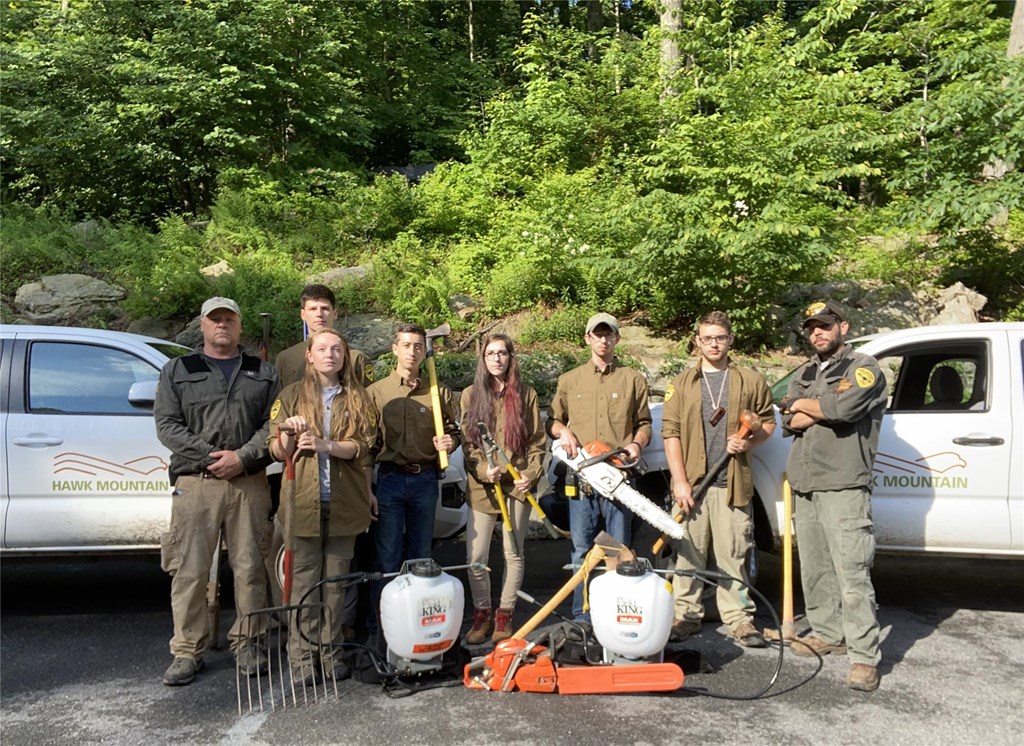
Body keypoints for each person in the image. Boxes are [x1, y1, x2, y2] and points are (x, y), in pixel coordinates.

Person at [154, 297, 280, 686]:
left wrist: (242, 457)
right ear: (203, 326)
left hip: (248, 483)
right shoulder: (178, 370)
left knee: (250, 567)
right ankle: (188, 650)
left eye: (229, 319)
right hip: (197, 483)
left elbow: (272, 425)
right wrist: (212, 456)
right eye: (215, 320)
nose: (222, 325)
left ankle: (248, 643)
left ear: (240, 327)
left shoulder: (264, 372)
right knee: (189, 569)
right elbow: (167, 425)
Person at [780, 300, 887, 692]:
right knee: (815, 567)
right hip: (806, 482)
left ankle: (863, 657)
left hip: (843, 482)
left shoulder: (864, 367)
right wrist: (811, 408)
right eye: (811, 328)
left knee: (852, 573)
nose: (817, 333)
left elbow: (844, 408)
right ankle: (828, 633)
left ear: (844, 326)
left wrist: (807, 407)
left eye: (825, 325)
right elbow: (788, 419)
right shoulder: (806, 371)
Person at [268, 328, 376, 684]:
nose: (330, 354)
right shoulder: (291, 395)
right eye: (322, 349)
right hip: (302, 506)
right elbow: (276, 450)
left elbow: (361, 446)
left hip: (344, 505)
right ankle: (301, 660)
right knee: (302, 585)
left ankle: (330, 656)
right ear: (309, 356)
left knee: (335, 586)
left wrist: (327, 445)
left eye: (337, 349)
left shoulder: (358, 398)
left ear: (344, 356)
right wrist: (288, 430)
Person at [661, 311, 775, 647]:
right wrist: (679, 481)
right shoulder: (682, 383)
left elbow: (767, 424)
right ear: (697, 341)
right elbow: (671, 434)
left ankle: (740, 619)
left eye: (720, 337)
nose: (714, 343)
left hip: (732, 484)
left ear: (731, 340)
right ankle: (686, 616)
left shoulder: (750, 380)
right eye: (707, 337)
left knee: (734, 554)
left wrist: (749, 442)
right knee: (686, 554)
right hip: (693, 486)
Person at [548, 313, 652, 621]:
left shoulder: (633, 379)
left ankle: (617, 615)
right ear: (588, 339)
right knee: (581, 551)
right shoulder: (569, 380)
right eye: (597, 334)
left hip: (619, 478)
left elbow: (644, 424)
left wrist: (636, 444)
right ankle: (582, 614)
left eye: (609, 335)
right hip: (582, 479)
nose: (603, 340)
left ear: (617, 339)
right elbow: (553, 421)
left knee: (619, 551)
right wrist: (562, 431)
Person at [366, 323, 460, 636]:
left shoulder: (438, 391)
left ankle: (417, 625)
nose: (412, 351)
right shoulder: (377, 392)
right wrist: (368, 488)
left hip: (425, 481)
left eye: (418, 346)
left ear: (424, 351)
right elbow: (368, 445)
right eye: (406, 345)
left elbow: (454, 432)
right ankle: (382, 627)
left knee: (421, 555)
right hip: (390, 481)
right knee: (388, 554)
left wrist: (450, 443)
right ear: (395, 349)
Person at [460, 334, 547, 644]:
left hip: (516, 484)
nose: (496, 359)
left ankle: (504, 615)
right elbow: (468, 444)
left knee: (514, 552)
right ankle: (481, 614)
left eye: (502, 353)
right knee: (476, 555)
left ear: (511, 357)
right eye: (490, 354)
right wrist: (485, 470)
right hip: (484, 487)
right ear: (483, 360)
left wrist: (531, 474)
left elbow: (537, 441)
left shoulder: (527, 395)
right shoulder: (471, 395)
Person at [275, 284, 374, 389]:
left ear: (335, 313)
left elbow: (367, 399)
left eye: (325, 308)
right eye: (313, 309)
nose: (319, 314)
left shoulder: (355, 358)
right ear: (303, 314)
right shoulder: (286, 359)